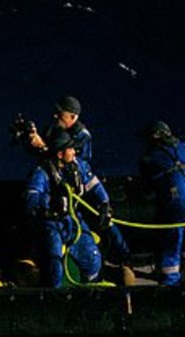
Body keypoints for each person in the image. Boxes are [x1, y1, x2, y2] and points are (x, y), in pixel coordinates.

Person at [25, 130, 133, 287]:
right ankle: (54, 297)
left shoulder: (79, 167)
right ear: (60, 154)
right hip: (51, 223)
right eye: (70, 149)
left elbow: (94, 186)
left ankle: (92, 290)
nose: (74, 152)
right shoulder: (42, 173)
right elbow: (31, 198)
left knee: (92, 258)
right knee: (55, 263)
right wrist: (44, 211)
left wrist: (104, 204)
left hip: (73, 220)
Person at [139, 120, 185, 285]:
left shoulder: (150, 157)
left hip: (177, 205)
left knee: (172, 239)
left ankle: (170, 282)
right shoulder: (183, 147)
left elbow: (147, 189)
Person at [27, 95, 93, 162]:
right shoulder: (52, 128)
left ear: (72, 117)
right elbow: (37, 153)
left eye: (60, 114)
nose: (55, 116)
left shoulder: (82, 136)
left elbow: (76, 165)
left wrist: (43, 147)